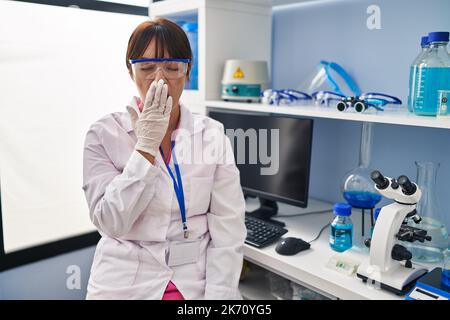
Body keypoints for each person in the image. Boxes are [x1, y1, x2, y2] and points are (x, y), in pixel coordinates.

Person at [82, 18, 246, 300]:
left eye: (172, 68)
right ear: (130, 72)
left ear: (188, 72)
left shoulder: (212, 135)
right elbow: (110, 222)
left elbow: (228, 228)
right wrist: (144, 149)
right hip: (125, 281)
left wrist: (218, 296)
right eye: (146, 68)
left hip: (193, 278)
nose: (159, 79)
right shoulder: (102, 134)